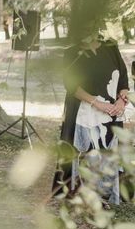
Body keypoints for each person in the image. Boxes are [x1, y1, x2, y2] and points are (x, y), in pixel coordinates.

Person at [52, 31, 129, 207]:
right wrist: (96, 103)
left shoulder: (110, 45)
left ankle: (106, 193)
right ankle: (86, 194)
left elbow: (123, 78)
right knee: (88, 152)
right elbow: (71, 85)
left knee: (108, 153)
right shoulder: (73, 51)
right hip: (84, 113)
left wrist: (121, 100)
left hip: (110, 113)